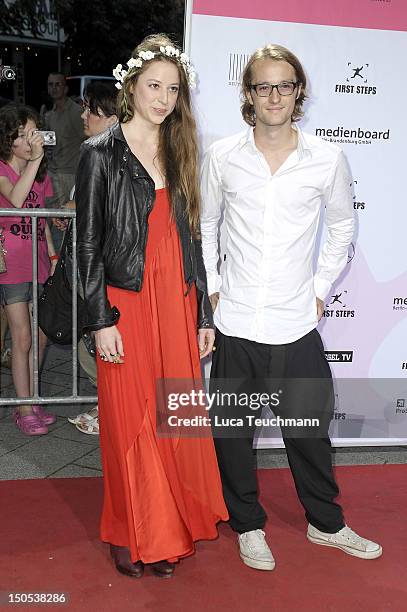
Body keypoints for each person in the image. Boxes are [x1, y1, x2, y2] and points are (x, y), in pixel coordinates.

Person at [200, 43, 382, 571]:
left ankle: (326, 525)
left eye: (284, 84)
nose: (274, 95)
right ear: (248, 95)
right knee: (233, 436)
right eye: (263, 85)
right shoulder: (223, 156)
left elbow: (343, 226)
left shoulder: (327, 158)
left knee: (309, 432)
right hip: (235, 320)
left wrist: (322, 286)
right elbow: (207, 224)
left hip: (296, 322)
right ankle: (248, 526)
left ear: (298, 91)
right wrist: (213, 285)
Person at [76, 34, 228, 578]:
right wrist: (99, 319)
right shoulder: (100, 153)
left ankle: (171, 526)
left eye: (172, 88)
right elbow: (88, 244)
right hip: (127, 302)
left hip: (178, 298)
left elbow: (192, 237)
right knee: (128, 417)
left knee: (174, 415)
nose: (162, 98)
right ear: (131, 86)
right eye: (153, 86)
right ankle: (130, 529)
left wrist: (204, 313)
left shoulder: (181, 148)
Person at [62, 81, 118, 436]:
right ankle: (109, 407)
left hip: (105, 270)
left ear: (112, 118)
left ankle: (111, 409)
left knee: (99, 341)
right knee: (93, 340)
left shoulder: (110, 156)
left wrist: (76, 206)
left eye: (92, 111)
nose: (84, 116)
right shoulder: (93, 152)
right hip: (91, 266)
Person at [0, 104, 57, 435]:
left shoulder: (42, 175)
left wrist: (51, 255)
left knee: (41, 336)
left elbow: (41, 218)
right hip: (12, 267)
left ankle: (31, 398)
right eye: (21, 134)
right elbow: (18, 200)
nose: (28, 140)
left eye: (33, 132)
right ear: (8, 139)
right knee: (21, 337)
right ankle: (22, 408)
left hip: (38, 265)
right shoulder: (4, 171)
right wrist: (34, 161)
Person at [44, 72, 84, 250]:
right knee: (51, 224)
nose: (54, 88)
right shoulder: (48, 115)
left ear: (65, 88)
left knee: (62, 225)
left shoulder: (77, 113)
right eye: (50, 84)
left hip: (70, 175)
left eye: (57, 84)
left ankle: (61, 267)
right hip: (52, 174)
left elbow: (87, 141)